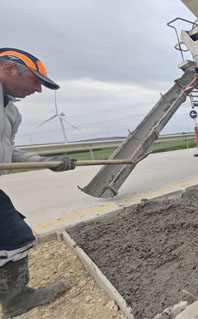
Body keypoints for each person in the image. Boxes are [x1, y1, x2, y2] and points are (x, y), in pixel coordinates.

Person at [0, 48, 76, 318]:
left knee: (10, 235)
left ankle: (15, 297)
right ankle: (17, 299)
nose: (39, 90)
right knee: (13, 235)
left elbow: (7, 154)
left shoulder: (10, 112)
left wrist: (47, 161)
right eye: (35, 80)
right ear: (9, 69)